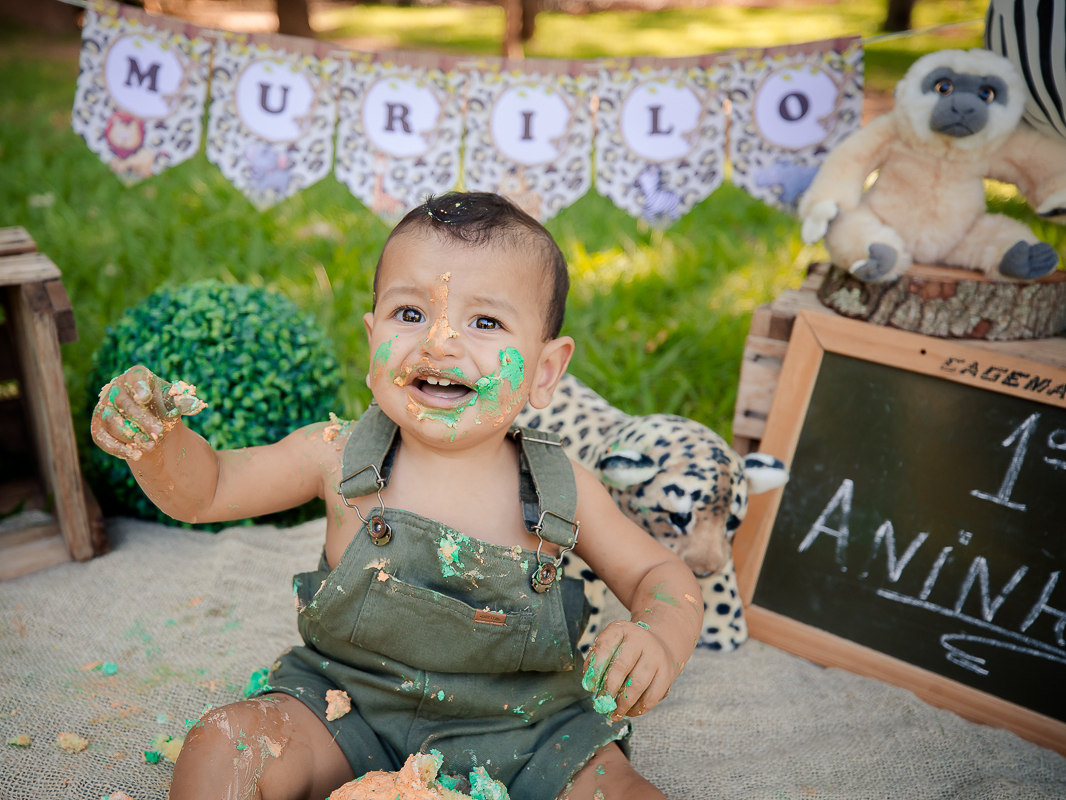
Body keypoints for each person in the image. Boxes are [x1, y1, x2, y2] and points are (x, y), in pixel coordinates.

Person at [90, 192, 703, 800]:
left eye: (484, 322)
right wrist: (156, 445)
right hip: (344, 710)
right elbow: (213, 488)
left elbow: (659, 572)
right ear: (371, 333)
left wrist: (658, 637)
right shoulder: (334, 454)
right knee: (225, 741)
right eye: (410, 314)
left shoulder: (559, 486)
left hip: (528, 731)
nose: (439, 342)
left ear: (545, 370)